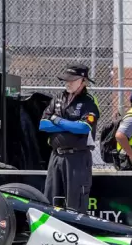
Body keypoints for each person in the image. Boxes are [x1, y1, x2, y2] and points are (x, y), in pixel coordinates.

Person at [39, 64, 99, 213]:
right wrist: (70, 126)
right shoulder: (58, 98)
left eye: (72, 80)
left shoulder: (89, 101)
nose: (68, 83)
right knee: (51, 201)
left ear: (83, 81)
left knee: (75, 204)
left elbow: (84, 128)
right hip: (56, 156)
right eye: (66, 79)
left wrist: (58, 121)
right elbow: (43, 124)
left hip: (77, 157)